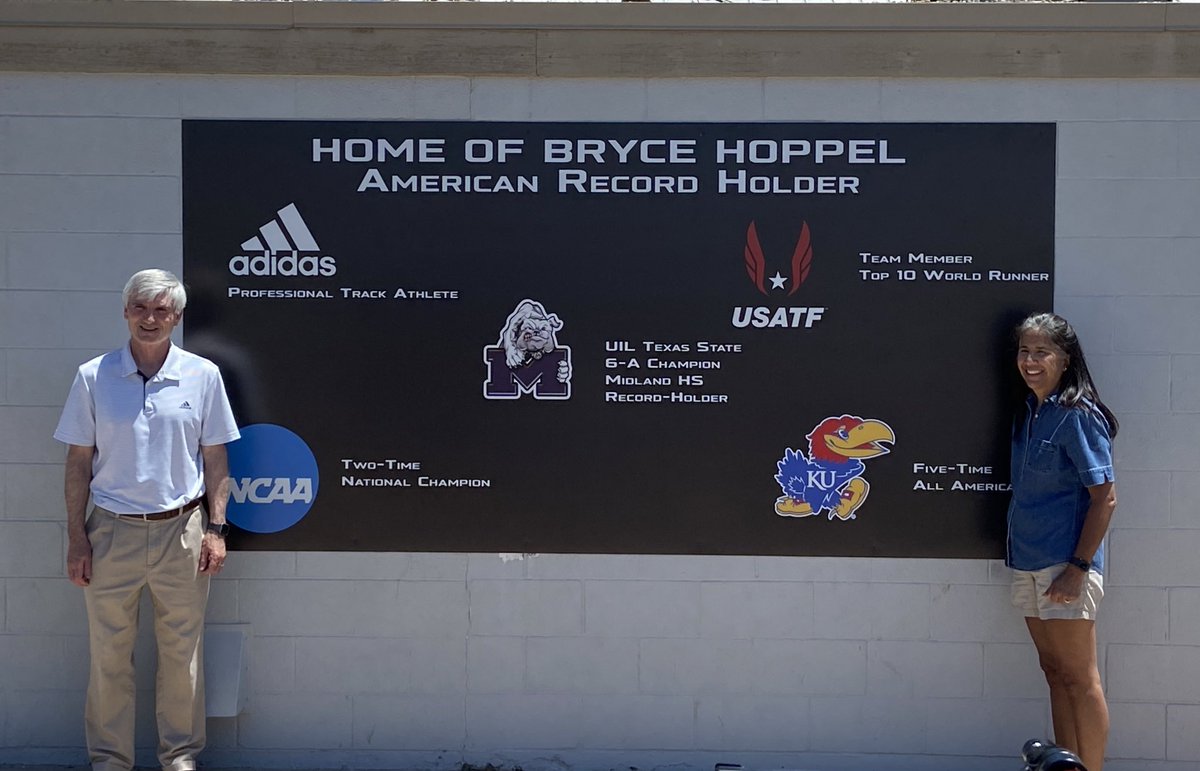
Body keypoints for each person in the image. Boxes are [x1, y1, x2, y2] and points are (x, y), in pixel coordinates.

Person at [54, 269, 240, 771]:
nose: (150, 318)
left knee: (183, 656)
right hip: (110, 530)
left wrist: (217, 530)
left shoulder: (203, 376)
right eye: (141, 307)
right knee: (109, 656)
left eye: (162, 310)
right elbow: (77, 462)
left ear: (177, 317)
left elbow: (217, 459)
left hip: (184, 531)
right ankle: (109, 761)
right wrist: (77, 538)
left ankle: (179, 757)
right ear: (125, 312)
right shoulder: (93, 376)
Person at [1007, 312, 1118, 771]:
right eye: (1024, 351)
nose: (1031, 361)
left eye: (1042, 352)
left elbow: (1105, 498)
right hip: (1027, 562)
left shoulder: (1077, 415)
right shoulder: (1031, 411)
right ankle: (1064, 767)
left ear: (1065, 359)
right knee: (1054, 675)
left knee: (1080, 678)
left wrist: (1078, 567)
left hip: (1065, 567)